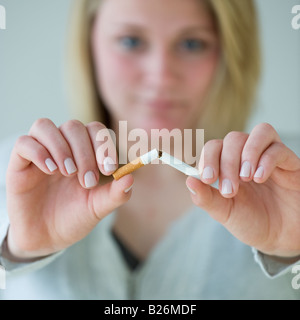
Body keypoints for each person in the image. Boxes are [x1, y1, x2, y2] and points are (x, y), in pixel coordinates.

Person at [0, 0, 299, 300]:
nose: (161, 76)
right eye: (131, 41)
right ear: (89, 44)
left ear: (229, 50)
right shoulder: (22, 169)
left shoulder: (285, 178)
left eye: (192, 43)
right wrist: (18, 251)